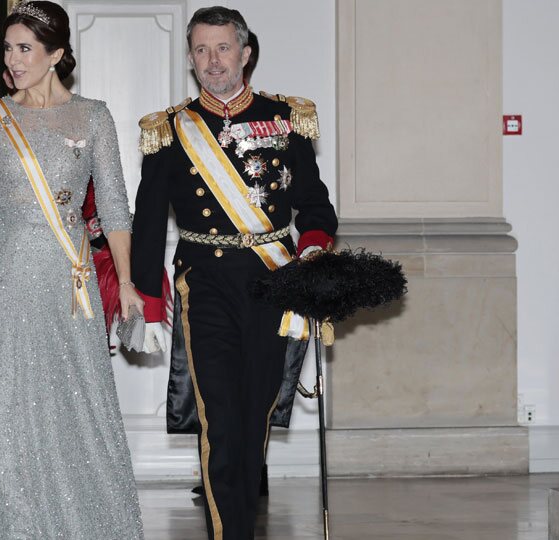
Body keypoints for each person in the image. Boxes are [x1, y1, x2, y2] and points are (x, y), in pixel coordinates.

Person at [0, 2, 144, 537]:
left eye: (24, 49)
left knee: (75, 404)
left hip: (69, 284)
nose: (12, 60)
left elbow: (114, 208)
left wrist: (129, 283)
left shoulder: (94, 117)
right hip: (2, 278)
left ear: (56, 55)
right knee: (2, 403)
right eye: (8, 48)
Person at [131, 7, 338, 539]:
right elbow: (150, 223)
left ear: (245, 53)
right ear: (190, 58)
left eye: (222, 48)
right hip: (206, 284)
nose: (212, 61)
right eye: (200, 50)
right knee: (220, 419)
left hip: (274, 283)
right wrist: (149, 306)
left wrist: (312, 254)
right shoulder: (170, 129)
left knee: (253, 418)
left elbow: (315, 207)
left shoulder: (285, 117)